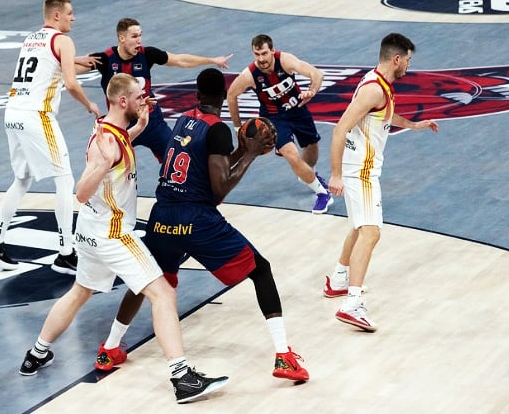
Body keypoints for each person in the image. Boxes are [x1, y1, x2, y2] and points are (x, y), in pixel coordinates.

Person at [18, 73, 228, 404]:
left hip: (89, 231)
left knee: (79, 292)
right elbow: (82, 192)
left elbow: (117, 149)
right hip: (113, 233)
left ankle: (37, 352)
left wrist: (140, 126)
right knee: (163, 295)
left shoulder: (110, 130)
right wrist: (100, 166)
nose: (145, 98)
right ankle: (182, 376)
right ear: (122, 101)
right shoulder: (108, 145)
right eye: (140, 95)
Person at [95, 68, 310, 384]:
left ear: (196, 96)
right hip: (197, 220)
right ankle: (283, 356)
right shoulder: (218, 129)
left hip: (163, 216)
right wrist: (249, 154)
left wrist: (237, 152)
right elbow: (219, 189)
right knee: (261, 270)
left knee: (147, 281)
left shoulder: (184, 121)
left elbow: (207, 165)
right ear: (224, 97)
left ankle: (110, 348)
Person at [324, 33, 439, 332]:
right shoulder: (374, 90)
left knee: (359, 226)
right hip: (360, 169)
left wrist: (413, 125)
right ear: (396, 59)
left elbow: (384, 116)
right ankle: (352, 303)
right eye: (408, 61)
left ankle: (338, 278)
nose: (409, 67)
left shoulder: (378, 83)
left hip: (360, 167)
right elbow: (339, 130)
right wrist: (335, 174)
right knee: (371, 232)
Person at [0, 0, 101, 275]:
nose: (73, 17)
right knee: (64, 178)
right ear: (56, 15)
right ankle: (65, 252)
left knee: (22, 179)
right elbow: (71, 83)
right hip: (37, 115)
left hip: (12, 113)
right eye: (70, 13)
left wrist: (78, 60)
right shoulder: (63, 41)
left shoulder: (31, 39)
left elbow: (53, 65)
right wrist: (90, 105)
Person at [83, 17, 232, 162]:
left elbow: (180, 60)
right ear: (121, 38)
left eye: (140, 35)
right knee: (104, 162)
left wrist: (212, 60)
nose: (139, 40)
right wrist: (73, 59)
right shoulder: (105, 59)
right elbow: (66, 68)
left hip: (150, 121)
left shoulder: (147, 54)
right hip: (121, 123)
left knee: (175, 158)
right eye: (134, 36)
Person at [227, 34, 333, 214]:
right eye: (257, 54)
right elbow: (231, 95)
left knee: (312, 147)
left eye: (264, 54)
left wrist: (312, 91)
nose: (261, 59)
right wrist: (237, 127)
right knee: (291, 154)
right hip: (273, 119)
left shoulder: (285, 60)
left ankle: (308, 174)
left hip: (298, 110)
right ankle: (323, 194)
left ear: (272, 51)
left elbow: (316, 74)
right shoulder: (250, 75)